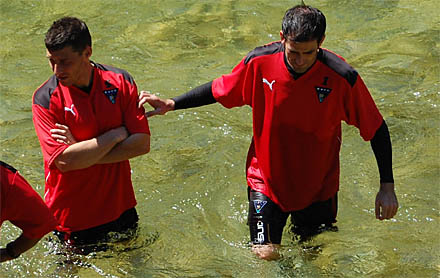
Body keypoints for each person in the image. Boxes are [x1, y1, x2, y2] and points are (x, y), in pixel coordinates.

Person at [138, 5, 398, 260]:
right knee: (266, 255)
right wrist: (173, 103)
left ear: (322, 42)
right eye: (293, 51)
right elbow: (220, 89)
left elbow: (376, 128)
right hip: (265, 179)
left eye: (309, 53)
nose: (299, 60)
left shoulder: (342, 77)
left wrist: (387, 186)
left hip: (319, 186)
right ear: (282, 38)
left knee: (314, 258)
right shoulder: (259, 63)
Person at [32, 17, 150, 253]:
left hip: (121, 208)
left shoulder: (120, 83)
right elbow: (64, 162)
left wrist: (81, 149)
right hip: (71, 218)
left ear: (87, 52)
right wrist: (116, 134)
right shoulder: (45, 99)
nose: (57, 70)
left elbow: (141, 144)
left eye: (64, 62)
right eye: (51, 62)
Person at [0, 161, 57, 262]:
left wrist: (10, 252)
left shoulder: (7, 182)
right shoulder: (6, 180)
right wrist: (10, 252)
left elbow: (43, 223)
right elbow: (42, 223)